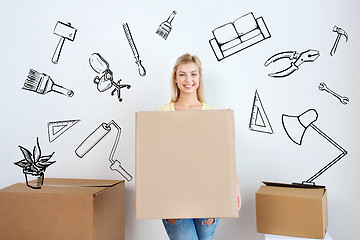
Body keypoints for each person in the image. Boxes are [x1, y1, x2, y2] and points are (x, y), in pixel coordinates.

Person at [156, 53, 241, 240]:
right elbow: (151, 156)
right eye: (182, 74)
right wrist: (142, 193)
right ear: (175, 79)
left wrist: (235, 186)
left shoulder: (212, 113)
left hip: (208, 192)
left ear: (200, 78)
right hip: (173, 195)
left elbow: (223, 155)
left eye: (193, 74)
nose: (188, 80)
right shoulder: (162, 112)